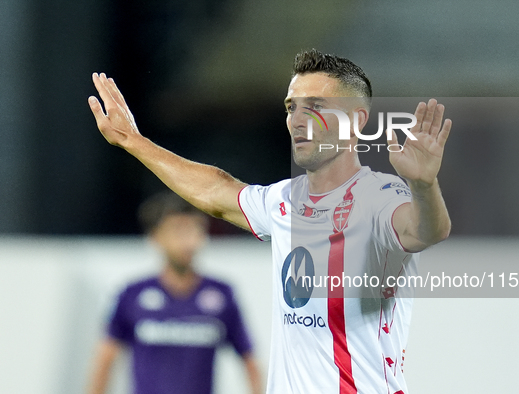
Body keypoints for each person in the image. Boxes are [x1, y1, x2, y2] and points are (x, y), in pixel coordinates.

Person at [88, 49, 452, 394]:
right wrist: (132, 141)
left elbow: (425, 230)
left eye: (315, 106)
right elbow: (215, 191)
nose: (296, 119)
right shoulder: (284, 200)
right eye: (291, 107)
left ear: (355, 119)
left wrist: (423, 185)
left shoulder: (381, 196)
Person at [87, 192, 263, 394]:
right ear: (156, 237)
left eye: (194, 229)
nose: (187, 240)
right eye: (177, 230)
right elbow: (105, 359)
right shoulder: (133, 294)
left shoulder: (221, 295)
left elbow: (249, 359)